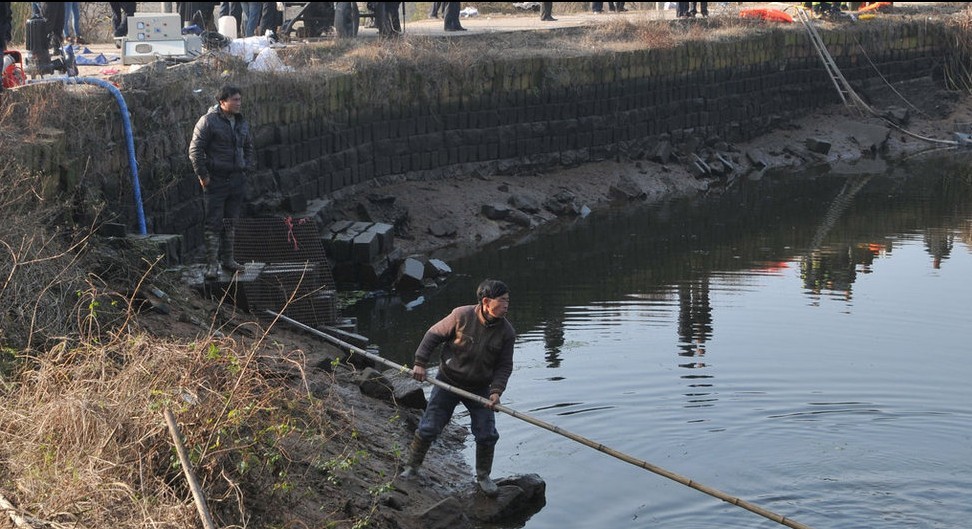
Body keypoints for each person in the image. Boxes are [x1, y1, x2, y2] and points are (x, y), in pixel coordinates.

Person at [400, 279, 516, 497]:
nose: (506, 305)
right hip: (448, 381)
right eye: (502, 301)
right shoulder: (461, 316)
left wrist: (496, 391)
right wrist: (420, 363)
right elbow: (432, 336)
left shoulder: (506, 333)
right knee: (429, 427)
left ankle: (483, 476)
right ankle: (412, 468)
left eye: (508, 301)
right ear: (486, 302)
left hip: (479, 388)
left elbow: (504, 366)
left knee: (486, 433)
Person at [188, 85, 255, 279]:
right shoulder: (208, 121)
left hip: (237, 180)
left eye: (239, 100)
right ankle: (211, 264)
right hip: (216, 181)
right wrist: (203, 175)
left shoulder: (242, 122)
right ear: (222, 101)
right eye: (234, 100)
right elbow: (195, 150)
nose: (238, 103)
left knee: (230, 222)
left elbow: (248, 146)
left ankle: (228, 260)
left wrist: (246, 167)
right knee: (213, 223)